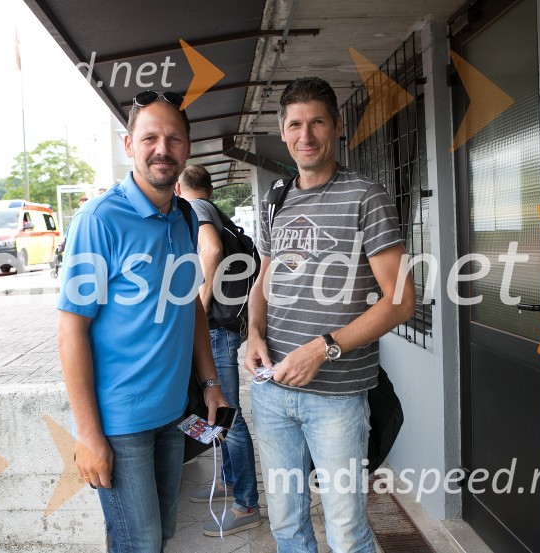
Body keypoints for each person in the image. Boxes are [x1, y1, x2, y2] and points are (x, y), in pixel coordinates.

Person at [244, 76, 416, 553]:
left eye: (317, 121)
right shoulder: (275, 199)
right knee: (286, 524)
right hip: (272, 393)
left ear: (337, 127)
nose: (306, 135)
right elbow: (264, 281)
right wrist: (254, 332)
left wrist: (325, 347)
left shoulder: (366, 196)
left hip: (336, 399)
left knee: (345, 531)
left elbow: (401, 300)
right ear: (282, 132)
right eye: (295, 124)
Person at [56, 90, 227, 553]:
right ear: (128, 144)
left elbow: (189, 302)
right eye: (149, 137)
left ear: (188, 147)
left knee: (162, 534)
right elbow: (71, 328)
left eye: (173, 138)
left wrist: (210, 382)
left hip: (173, 414)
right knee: (140, 544)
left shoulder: (186, 218)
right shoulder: (98, 219)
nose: (162, 148)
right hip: (120, 422)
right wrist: (88, 433)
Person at [175, 165, 262, 536]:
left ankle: (246, 506)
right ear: (209, 187)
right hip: (226, 328)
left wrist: (201, 304)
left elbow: (209, 249)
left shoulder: (195, 210)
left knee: (228, 415)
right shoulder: (215, 210)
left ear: (180, 187)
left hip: (215, 328)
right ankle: (229, 481)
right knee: (221, 412)